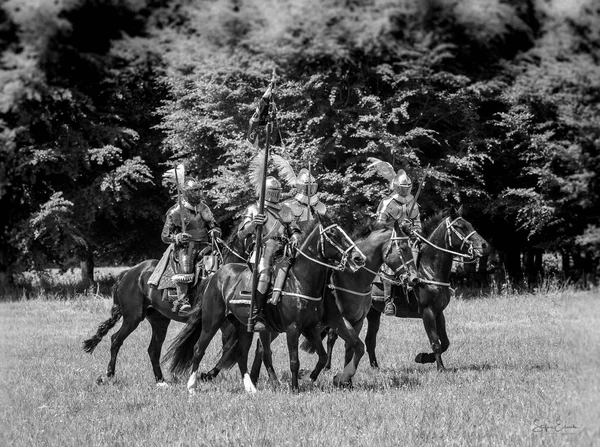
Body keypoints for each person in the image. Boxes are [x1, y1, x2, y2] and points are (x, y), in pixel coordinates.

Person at [238, 176, 301, 331]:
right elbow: (241, 234)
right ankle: (256, 314)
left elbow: (293, 228)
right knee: (265, 276)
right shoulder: (254, 209)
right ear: (265, 191)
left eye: (277, 191)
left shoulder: (285, 209)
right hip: (263, 250)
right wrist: (254, 223)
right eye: (272, 191)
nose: (276, 194)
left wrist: (295, 236)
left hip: (283, 250)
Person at [161, 178, 221, 313]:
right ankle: (182, 301)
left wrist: (215, 231)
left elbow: (214, 225)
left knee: (217, 263)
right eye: (195, 190)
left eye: (199, 189)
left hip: (206, 244)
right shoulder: (175, 211)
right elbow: (165, 236)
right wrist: (177, 237)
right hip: (186, 247)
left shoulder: (204, 208)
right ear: (186, 192)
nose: (198, 193)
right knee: (186, 268)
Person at [374, 169, 421, 316]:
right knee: (393, 257)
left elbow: (418, 224)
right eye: (402, 187)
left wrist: (414, 232)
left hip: (408, 239)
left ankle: (417, 291)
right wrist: (399, 227)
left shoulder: (412, 202)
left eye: (407, 187)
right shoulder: (388, 202)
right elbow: (380, 224)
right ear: (396, 186)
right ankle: (388, 301)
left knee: (421, 253)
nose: (405, 189)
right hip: (391, 239)